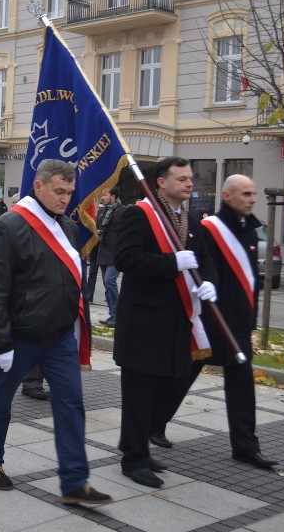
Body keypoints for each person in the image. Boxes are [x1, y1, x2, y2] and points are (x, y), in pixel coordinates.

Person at [0, 159, 112, 506]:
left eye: (69, 192)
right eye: (58, 191)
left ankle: (74, 482)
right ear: (39, 187)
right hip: (19, 336)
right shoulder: (8, 227)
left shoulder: (66, 226)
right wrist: (0, 343)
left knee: (70, 405)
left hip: (59, 336)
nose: (65, 198)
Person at [152, 175, 277, 469]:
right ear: (227, 195)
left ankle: (245, 446)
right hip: (210, 321)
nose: (252, 199)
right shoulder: (210, 228)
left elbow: (248, 279)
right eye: (246, 194)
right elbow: (203, 267)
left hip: (238, 323)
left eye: (254, 193)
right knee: (182, 375)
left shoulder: (249, 228)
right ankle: (153, 424)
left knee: (242, 385)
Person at [113, 156, 217, 488]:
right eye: (182, 178)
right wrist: (171, 262)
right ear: (161, 181)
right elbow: (126, 258)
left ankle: (141, 444)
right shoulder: (138, 214)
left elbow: (205, 259)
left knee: (169, 385)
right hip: (144, 321)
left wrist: (209, 281)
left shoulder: (191, 219)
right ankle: (133, 458)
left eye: (191, 178)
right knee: (140, 393)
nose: (190, 183)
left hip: (178, 320)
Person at [96, 187, 126, 327]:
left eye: (105, 194)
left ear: (113, 197)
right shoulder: (102, 212)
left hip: (116, 254)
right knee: (107, 285)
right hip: (103, 253)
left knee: (110, 280)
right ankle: (113, 315)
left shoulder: (122, 212)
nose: (102, 197)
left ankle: (119, 313)